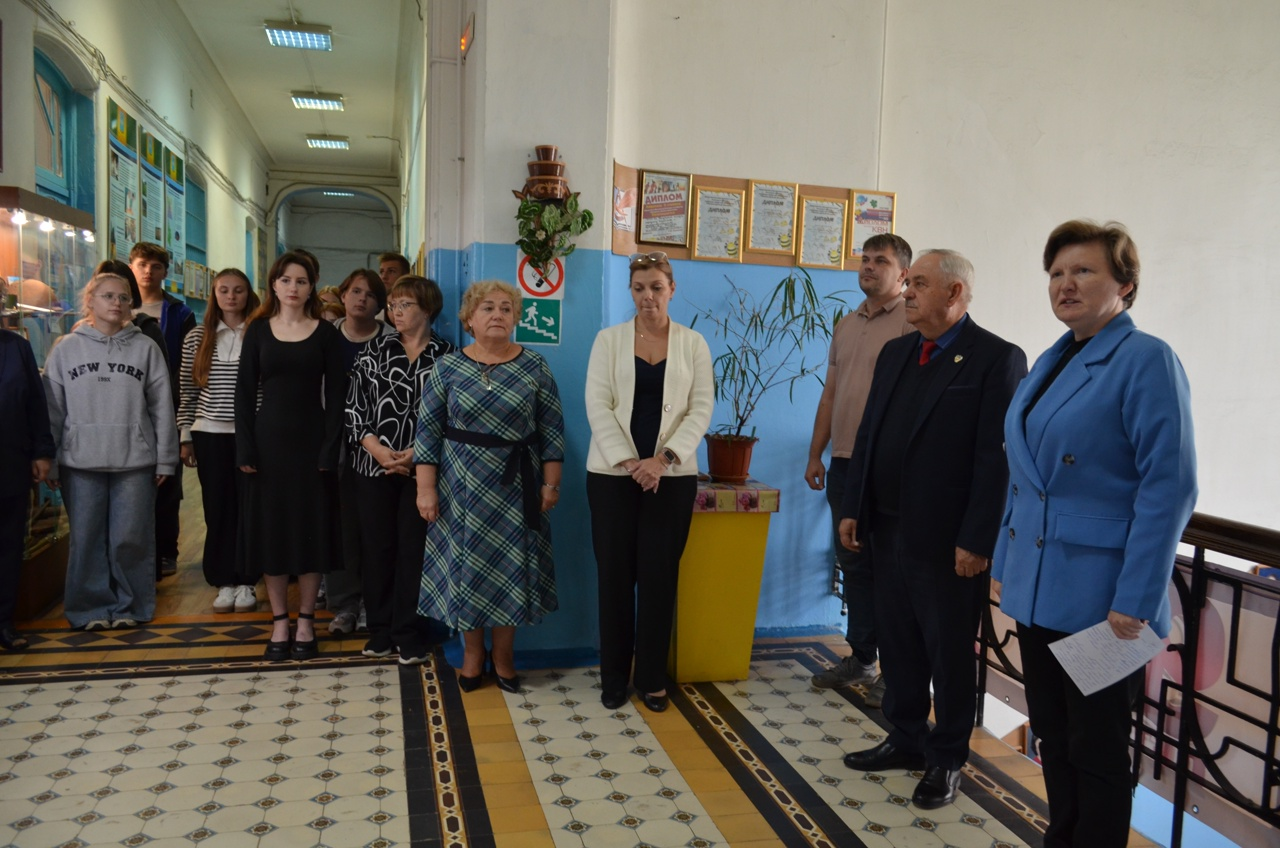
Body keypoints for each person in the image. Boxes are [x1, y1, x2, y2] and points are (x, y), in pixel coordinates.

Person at [991, 221, 1196, 847]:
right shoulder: (1054, 359)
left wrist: (1137, 596)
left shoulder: (1146, 359)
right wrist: (1004, 563)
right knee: (1053, 735)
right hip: (1040, 583)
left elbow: (1170, 485)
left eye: (1084, 271)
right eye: (1056, 273)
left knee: (1097, 747)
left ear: (1125, 285)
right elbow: (1024, 478)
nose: (1066, 284)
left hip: (1104, 599)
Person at [838, 249, 1026, 810]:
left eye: (919, 283)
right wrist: (854, 506)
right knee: (897, 642)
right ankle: (906, 737)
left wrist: (977, 538)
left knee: (948, 653)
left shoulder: (996, 358)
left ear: (954, 293)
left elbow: (996, 458)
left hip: (948, 542)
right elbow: (869, 435)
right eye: (910, 282)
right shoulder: (898, 351)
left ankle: (946, 757)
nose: (908, 292)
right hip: (887, 527)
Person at [414, 280, 564, 693]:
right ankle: (472, 655)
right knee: (467, 572)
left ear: (516, 319)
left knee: (509, 571)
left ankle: (503, 656)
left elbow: (552, 429)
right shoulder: (447, 367)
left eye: (505, 308)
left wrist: (551, 484)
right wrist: (425, 489)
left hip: (518, 488)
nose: (497, 314)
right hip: (459, 488)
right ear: (469, 319)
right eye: (487, 308)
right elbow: (427, 432)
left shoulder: (535, 366)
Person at [585, 252, 713, 712]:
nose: (648, 296)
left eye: (656, 287)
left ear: (671, 289)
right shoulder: (608, 340)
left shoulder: (693, 344)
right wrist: (630, 462)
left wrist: (661, 461)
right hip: (612, 478)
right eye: (639, 288)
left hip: (671, 479)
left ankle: (652, 678)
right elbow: (597, 404)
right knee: (615, 579)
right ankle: (614, 678)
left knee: (659, 579)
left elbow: (701, 408)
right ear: (631, 291)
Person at [803, 233, 914, 704]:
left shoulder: (912, 321)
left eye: (880, 261)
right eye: (865, 259)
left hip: (889, 468)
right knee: (852, 562)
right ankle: (863, 658)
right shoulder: (846, 324)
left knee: (891, 567)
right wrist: (817, 453)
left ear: (903, 274)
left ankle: (898, 670)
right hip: (846, 463)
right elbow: (830, 393)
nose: (868, 266)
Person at [43, 272, 179, 630]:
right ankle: (89, 609)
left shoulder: (145, 348)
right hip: (79, 461)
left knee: (130, 538)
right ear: (90, 300)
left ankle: (130, 606)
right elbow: (53, 410)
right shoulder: (66, 349)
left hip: (135, 460)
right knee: (86, 538)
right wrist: (51, 460)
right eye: (108, 296)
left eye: (123, 297)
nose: (116, 303)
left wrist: (166, 458)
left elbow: (162, 407)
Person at [236, 252, 345, 661]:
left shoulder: (326, 334)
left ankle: (306, 620)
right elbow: (244, 393)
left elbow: (338, 399)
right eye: (286, 280)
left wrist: (330, 448)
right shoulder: (258, 330)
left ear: (312, 285)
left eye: (301, 281)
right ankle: (280, 620)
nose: (293, 288)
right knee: (273, 533)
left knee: (310, 533)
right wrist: (245, 446)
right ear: (274, 285)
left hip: (312, 444)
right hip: (268, 445)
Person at [346, 276, 456, 663]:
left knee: (414, 551)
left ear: (427, 308)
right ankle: (379, 630)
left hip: (422, 470)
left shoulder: (447, 356)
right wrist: (377, 449)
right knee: (377, 548)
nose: (395, 312)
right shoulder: (374, 350)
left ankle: (407, 631)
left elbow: (451, 415)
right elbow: (354, 409)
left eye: (404, 305)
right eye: (392, 306)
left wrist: (417, 453)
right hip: (373, 466)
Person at [178, 268, 261, 614]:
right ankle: (223, 580)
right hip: (209, 433)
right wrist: (185, 436)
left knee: (249, 508)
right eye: (223, 290)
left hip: (249, 434)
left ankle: (247, 580)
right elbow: (187, 390)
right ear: (214, 294)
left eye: (238, 290)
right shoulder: (197, 336)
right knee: (217, 507)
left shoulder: (260, 332)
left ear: (248, 294)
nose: (231, 296)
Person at [327, 269, 395, 636]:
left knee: (375, 528)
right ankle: (344, 604)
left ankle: (374, 601)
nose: (361, 299)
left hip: (378, 444)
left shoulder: (392, 340)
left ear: (380, 303)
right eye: (355, 291)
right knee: (339, 526)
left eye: (370, 294)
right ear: (343, 295)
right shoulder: (326, 336)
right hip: (333, 439)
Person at [130, 242, 195, 580]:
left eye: (155, 266)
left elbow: (188, 363)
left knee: (167, 481)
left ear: (165, 272)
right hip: (129, 406)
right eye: (142, 264)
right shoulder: (121, 307)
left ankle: (167, 550)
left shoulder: (179, 312)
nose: (148, 271)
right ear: (132, 266)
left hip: (169, 403)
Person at [0, 328, 56, 649]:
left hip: (10, 463)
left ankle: (3, 622)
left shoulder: (17, 347)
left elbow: (36, 403)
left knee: (8, 546)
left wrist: (42, 452)